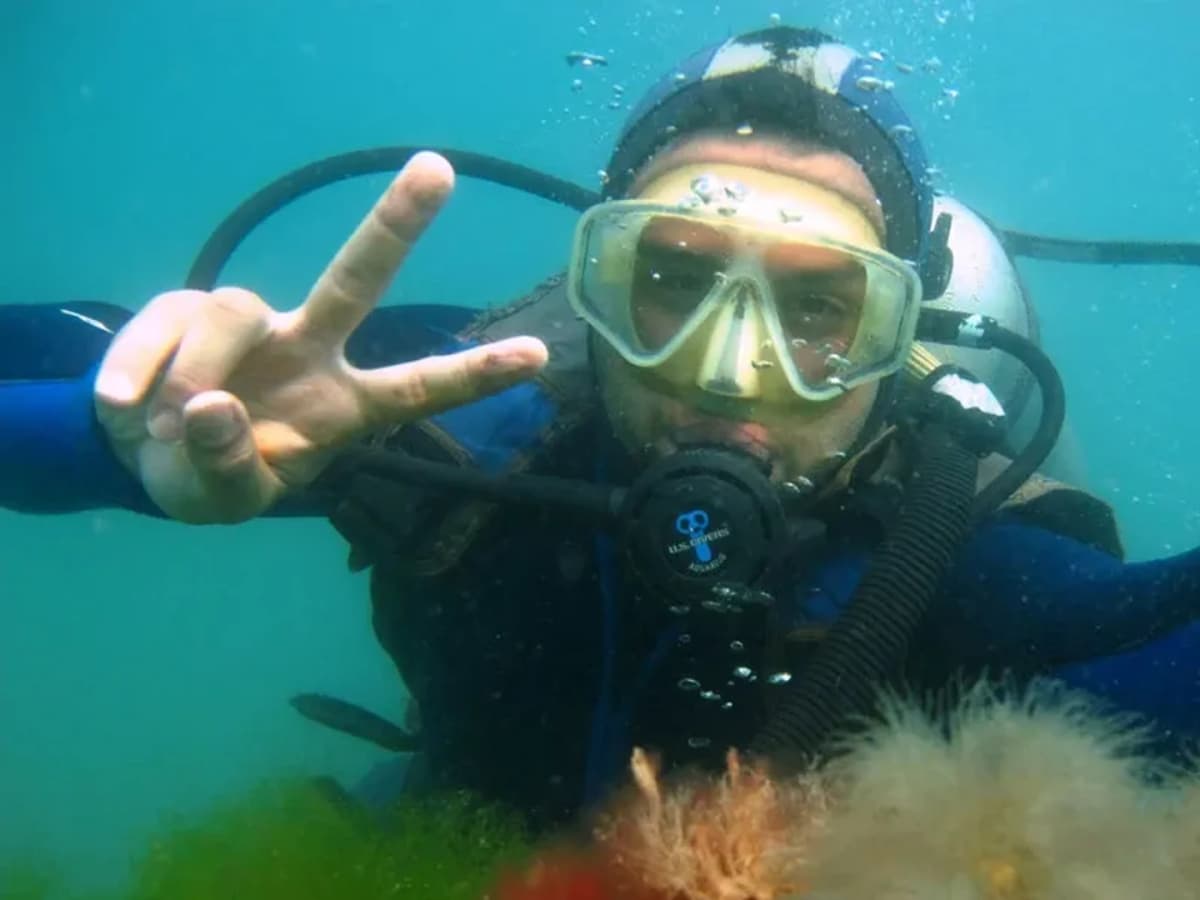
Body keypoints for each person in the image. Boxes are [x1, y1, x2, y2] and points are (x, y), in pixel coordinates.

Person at [4, 25, 1200, 833]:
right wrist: (122, 432)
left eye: (822, 305)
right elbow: (64, 371)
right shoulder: (450, 412)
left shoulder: (949, 557)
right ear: (595, 285)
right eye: (675, 278)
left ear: (903, 336)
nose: (734, 372)